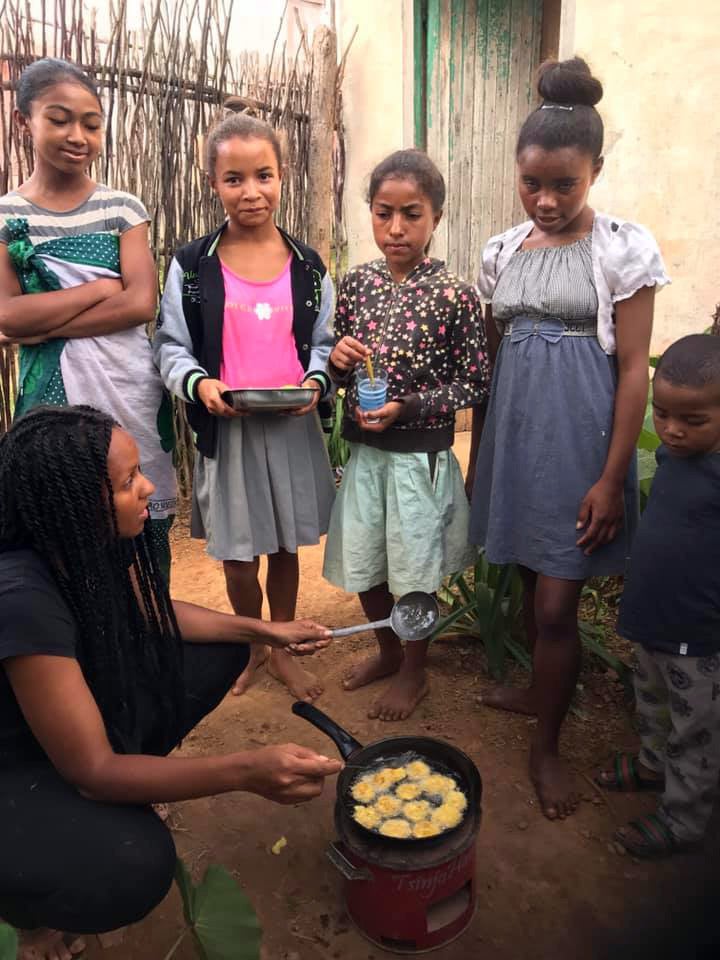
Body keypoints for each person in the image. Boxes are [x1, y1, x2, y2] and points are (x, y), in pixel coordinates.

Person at [0, 405, 342, 960]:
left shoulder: (89, 542)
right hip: (17, 769)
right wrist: (246, 770)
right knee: (137, 862)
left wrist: (263, 631)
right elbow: (92, 771)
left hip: (61, 734)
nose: (148, 487)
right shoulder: (21, 599)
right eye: (128, 481)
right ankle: (30, 916)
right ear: (76, 502)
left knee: (219, 649)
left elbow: (151, 609)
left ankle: (137, 780)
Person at [467, 57, 669, 819]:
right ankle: (533, 692)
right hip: (518, 443)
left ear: (596, 173)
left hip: (584, 447)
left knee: (557, 607)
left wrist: (612, 478)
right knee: (527, 578)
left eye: (565, 185)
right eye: (532, 184)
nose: (546, 200)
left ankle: (546, 746)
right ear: (517, 175)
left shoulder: (624, 250)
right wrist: (480, 456)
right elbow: (492, 365)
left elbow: (633, 377)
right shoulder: (500, 252)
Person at [153, 111, 336, 704]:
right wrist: (200, 385)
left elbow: (327, 345)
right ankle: (255, 645)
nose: (250, 191)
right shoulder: (192, 267)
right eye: (234, 179)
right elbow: (169, 345)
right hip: (226, 431)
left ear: (282, 178)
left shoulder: (308, 267)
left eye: (263, 175)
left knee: (285, 546)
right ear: (214, 184)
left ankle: (281, 650)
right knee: (237, 554)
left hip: (290, 426)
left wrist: (315, 382)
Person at [323, 149, 489, 722]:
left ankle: (415, 671)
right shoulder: (355, 286)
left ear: (435, 218)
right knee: (365, 562)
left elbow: (475, 382)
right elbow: (333, 367)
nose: (395, 228)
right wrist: (338, 364)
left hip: (419, 459)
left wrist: (409, 405)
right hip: (366, 455)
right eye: (382, 213)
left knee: (414, 572)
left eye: (411, 214)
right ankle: (388, 652)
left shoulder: (455, 294)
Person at [0, 58, 176, 580]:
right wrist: (102, 289)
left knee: (142, 520)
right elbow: (7, 311)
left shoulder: (123, 208)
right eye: (59, 119)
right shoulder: (8, 217)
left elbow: (141, 304)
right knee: (63, 520)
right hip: (50, 395)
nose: (77, 135)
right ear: (22, 122)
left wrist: (38, 324)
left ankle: (153, 638)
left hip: (128, 388)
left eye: (91, 124)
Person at [596, 334, 720, 858]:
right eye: (664, 413)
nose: (672, 430)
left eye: (694, 422)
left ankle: (684, 818)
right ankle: (651, 764)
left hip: (697, 629)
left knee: (695, 728)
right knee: (650, 699)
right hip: (652, 615)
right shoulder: (672, 459)